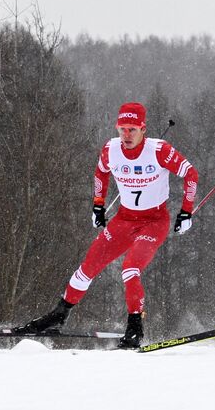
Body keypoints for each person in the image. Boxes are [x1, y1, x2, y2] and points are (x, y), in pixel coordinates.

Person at [16, 102, 198, 348]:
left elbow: (191, 174)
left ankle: (135, 327)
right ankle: (59, 314)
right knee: (88, 267)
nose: (126, 135)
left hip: (153, 222)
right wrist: (98, 205)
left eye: (132, 129)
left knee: (130, 269)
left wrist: (186, 212)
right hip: (124, 219)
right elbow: (100, 172)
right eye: (122, 128)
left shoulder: (159, 150)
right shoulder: (111, 149)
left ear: (143, 129)